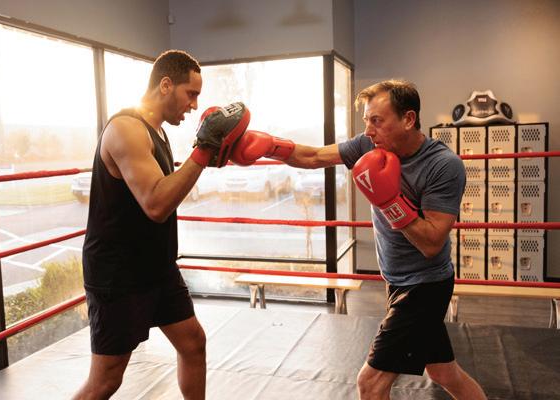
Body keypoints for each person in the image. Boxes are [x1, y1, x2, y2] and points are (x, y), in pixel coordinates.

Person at [229, 79, 487, 400]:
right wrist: (271, 147)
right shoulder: (370, 145)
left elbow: (432, 243)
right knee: (443, 371)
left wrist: (390, 202)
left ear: (408, 119)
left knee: (371, 382)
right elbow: (314, 156)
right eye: (366, 120)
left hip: (425, 287)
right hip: (398, 281)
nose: (368, 130)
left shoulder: (442, 165)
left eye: (376, 120)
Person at [74, 50, 249, 400]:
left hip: (156, 268)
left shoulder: (158, 131)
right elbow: (156, 204)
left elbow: (166, 191)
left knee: (193, 344)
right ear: (166, 85)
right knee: (106, 380)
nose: (194, 105)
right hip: (118, 275)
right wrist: (203, 152)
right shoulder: (126, 129)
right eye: (190, 94)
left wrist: (205, 155)